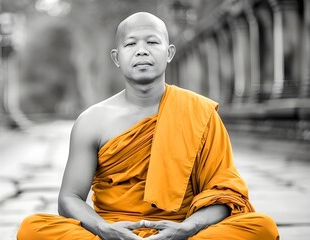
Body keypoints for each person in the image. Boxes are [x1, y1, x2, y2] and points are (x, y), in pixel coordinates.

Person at [17, 12, 279, 240]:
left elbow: (225, 194)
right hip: (113, 231)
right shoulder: (92, 120)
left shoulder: (200, 112)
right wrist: (105, 229)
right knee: (32, 228)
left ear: (169, 53)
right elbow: (69, 198)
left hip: (183, 230)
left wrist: (186, 228)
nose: (142, 50)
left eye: (153, 42)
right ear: (117, 57)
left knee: (262, 227)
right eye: (131, 44)